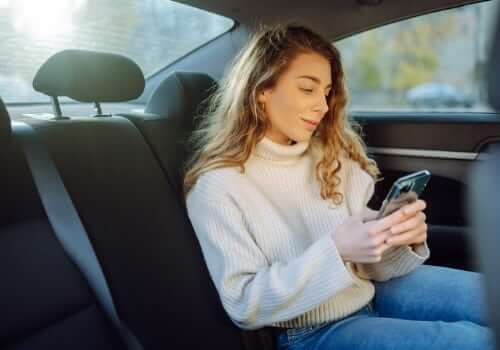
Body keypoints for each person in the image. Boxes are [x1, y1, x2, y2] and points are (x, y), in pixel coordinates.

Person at [182, 23, 495, 349]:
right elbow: (245, 304)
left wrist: (394, 236)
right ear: (262, 90)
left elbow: (369, 267)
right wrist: (337, 251)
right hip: (311, 331)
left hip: (370, 290)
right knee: (475, 342)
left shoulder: (331, 157)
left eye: (327, 92)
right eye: (307, 89)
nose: (323, 105)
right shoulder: (218, 186)